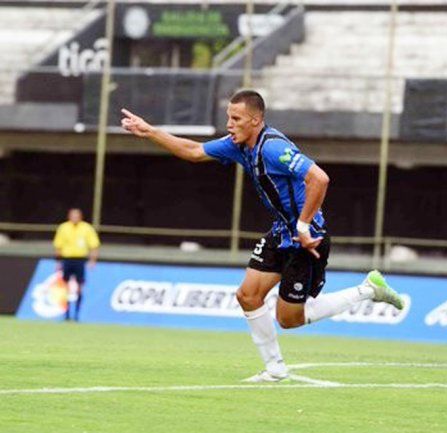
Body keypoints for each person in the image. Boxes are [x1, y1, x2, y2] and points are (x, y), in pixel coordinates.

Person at [120, 89, 404, 382]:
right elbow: (193, 151)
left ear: (255, 120)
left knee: (288, 319)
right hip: (282, 231)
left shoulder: (272, 148)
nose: (229, 124)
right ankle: (275, 369)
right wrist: (150, 131)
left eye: (236, 118)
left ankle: (369, 289)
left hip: (307, 236)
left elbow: (319, 178)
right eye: (228, 117)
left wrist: (303, 226)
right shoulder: (238, 145)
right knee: (247, 295)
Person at [53, 208, 100, 321]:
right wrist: (58, 261)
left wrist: (93, 260)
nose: (75, 217)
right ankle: (67, 314)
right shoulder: (63, 228)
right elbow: (58, 246)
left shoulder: (87, 228)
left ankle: (77, 315)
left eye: (77, 215)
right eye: (72, 215)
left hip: (80, 259)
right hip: (67, 259)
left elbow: (94, 245)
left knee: (79, 287)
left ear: (81, 216)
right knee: (66, 287)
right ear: (69, 216)